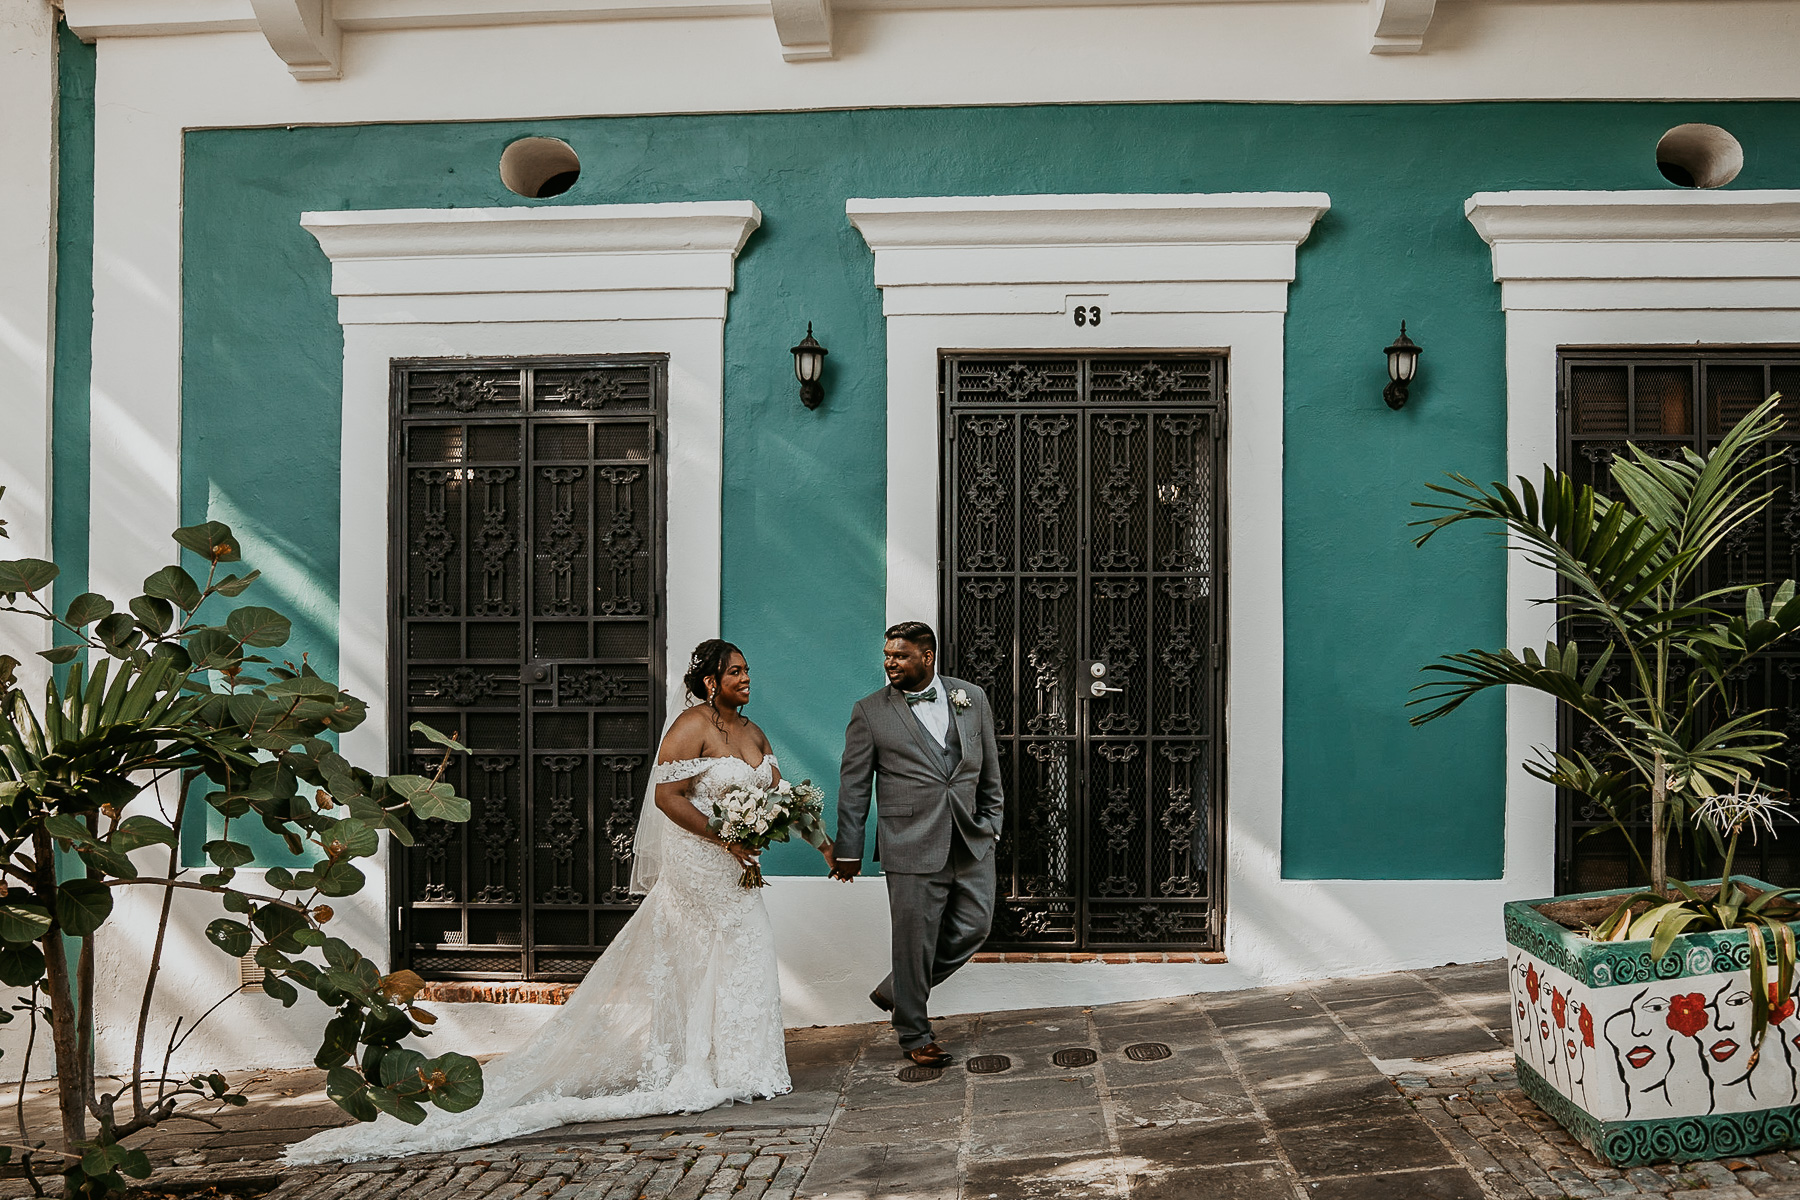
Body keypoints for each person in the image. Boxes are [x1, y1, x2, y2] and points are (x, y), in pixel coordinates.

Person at [284, 639, 831, 1164]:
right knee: (701, 958)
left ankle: (748, 1066)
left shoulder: (755, 733)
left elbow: (779, 797)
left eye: (747, 670)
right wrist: (724, 834)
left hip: (739, 866)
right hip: (702, 861)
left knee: (747, 950)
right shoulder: (690, 727)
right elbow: (667, 796)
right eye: (735, 671)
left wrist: (815, 842)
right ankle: (700, 1061)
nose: (746, 678)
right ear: (711, 681)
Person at [830, 621, 1005, 1067]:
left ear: (927, 656)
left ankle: (896, 990)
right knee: (914, 942)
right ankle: (914, 1033)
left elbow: (988, 770)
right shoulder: (869, 711)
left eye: (900, 655)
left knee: (976, 926)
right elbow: (853, 786)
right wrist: (848, 850)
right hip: (909, 840)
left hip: (971, 837)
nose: (890, 663)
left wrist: (992, 823)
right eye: (888, 655)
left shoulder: (972, 698)